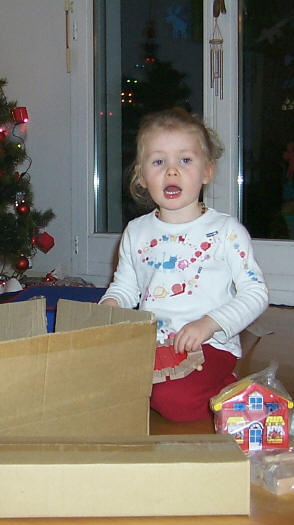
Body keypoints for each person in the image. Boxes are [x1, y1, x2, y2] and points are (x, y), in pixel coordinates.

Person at [100, 108, 268, 422]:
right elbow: (125, 287)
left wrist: (209, 323)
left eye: (186, 160)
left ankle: (228, 386)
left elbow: (255, 293)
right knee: (94, 380)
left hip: (209, 346)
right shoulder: (136, 232)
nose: (172, 171)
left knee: (174, 402)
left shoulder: (226, 231)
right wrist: (110, 307)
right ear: (141, 175)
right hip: (150, 345)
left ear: (207, 171)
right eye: (158, 162)